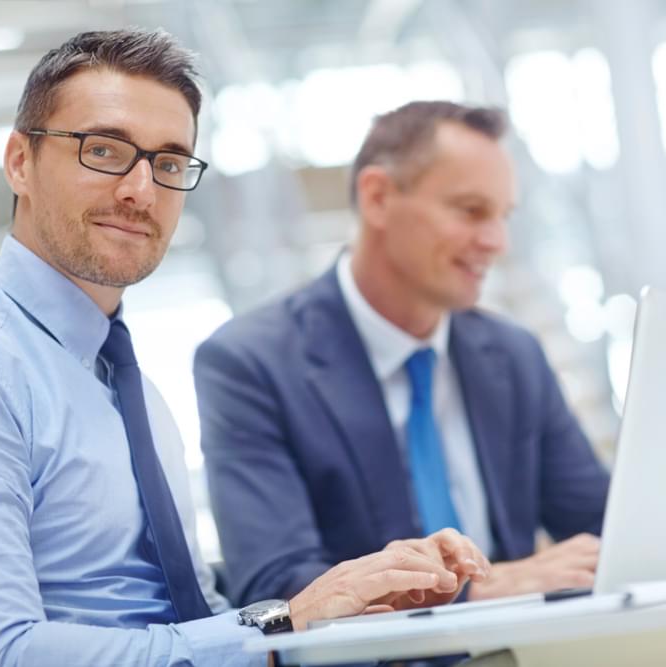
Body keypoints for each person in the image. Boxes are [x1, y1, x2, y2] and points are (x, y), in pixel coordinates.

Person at [0, 31, 490, 667]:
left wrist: (348, 614)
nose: (140, 190)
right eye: (103, 150)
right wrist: (278, 626)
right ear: (21, 162)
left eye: (168, 163)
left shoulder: (127, 388)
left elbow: (191, 621)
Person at [195, 101, 611, 608]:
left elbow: (601, 524)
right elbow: (278, 586)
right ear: (377, 198)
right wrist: (487, 589)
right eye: (471, 211)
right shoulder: (251, 363)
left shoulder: (512, 353)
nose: (496, 241)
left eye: (502, 216)